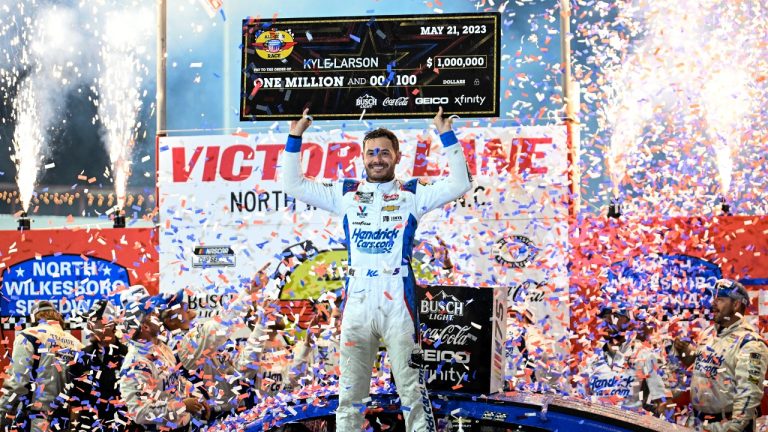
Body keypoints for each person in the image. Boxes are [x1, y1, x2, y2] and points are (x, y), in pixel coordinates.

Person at [282, 107, 472, 431]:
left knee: (411, 391)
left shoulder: (413, 193)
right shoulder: (345, 193)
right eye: (372, 153)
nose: (378, 159)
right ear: (363, 157)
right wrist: (295, 136)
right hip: (357, 303)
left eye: (384, 152)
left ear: (397, 156)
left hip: (398, 303)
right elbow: (292, 184)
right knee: (350, 396)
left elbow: (460, 183)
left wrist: (445, 133)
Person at [674, 279, 768, 432]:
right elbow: (704, 368)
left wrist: (735, 427)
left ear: (736, 305)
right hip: (695, 423)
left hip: (725, 426)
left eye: (720, 300)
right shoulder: (708, 334)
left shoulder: (751, 344)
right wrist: (685, 353)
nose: (713, 303)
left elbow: (749, 393)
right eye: (714, 299)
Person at [119, 286, 208, 431]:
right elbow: (139, 412)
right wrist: (183, 405)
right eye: (153, 315)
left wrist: (196, 395)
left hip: (182, 425)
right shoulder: (135, 365)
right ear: (145, 327)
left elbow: (175, 378)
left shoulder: (160, 346)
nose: (159, 318)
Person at [0, 300, 84, 432]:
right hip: (64, 421)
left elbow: (17, 383)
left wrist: (2, 413)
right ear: (56, 316)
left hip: (36, 420)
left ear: (34, 317)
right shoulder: (77, 344)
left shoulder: (29, 335)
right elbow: (82, 388)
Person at [577, 302, 668, 412]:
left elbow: (663, 403)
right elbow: (581, 401)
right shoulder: (590, 360)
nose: (607, 320)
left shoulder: (646, 356)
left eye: (615, 315)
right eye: (603, 316)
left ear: (630, 323)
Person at [69, 300, 130, 432]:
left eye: (94, 321)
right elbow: (74, 400)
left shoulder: (128, 356)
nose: (89, 326)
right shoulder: (82, 357)